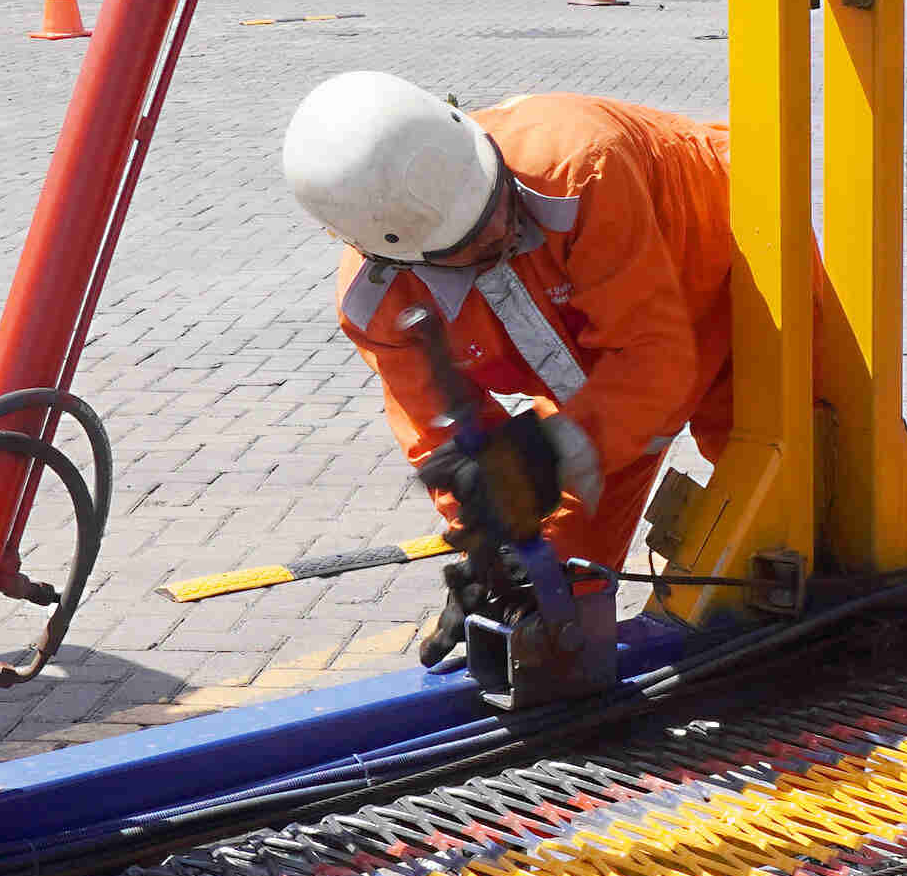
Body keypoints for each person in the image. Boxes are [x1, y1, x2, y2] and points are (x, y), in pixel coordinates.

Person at [282, 75, 736, 647]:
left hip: (739, 261)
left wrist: (550, 451)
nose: (500, 228)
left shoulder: (583, 170)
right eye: (471, 243)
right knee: (545, 576)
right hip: (615, 371)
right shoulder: (378, 304)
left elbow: (651, 357)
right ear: (398, 255)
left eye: (496, 202)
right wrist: (489, 542)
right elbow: (446, 442)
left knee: (810, 480)